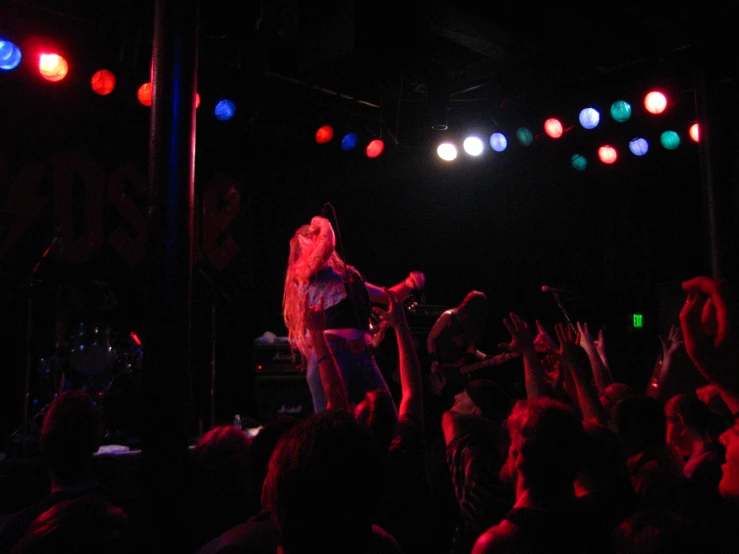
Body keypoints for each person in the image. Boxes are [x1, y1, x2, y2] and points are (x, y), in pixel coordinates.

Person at [282, 214, 424, 413]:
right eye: (311, 237)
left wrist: (409, 284)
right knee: (334, 424)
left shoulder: (346, 274)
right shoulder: (302, 270)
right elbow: (327, 243)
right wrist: (323, 223)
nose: (316, 239)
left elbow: (386, 295)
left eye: (316, 235)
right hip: (333, 353)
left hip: (364, 355)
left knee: (385, 416)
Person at [427, 291, 504, 400]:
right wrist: (433, 361)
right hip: (441, 370)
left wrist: (491, 359)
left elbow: (472, 350)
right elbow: (431, 338)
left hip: (459, 373)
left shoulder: (471, 323)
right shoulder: (449, 316)